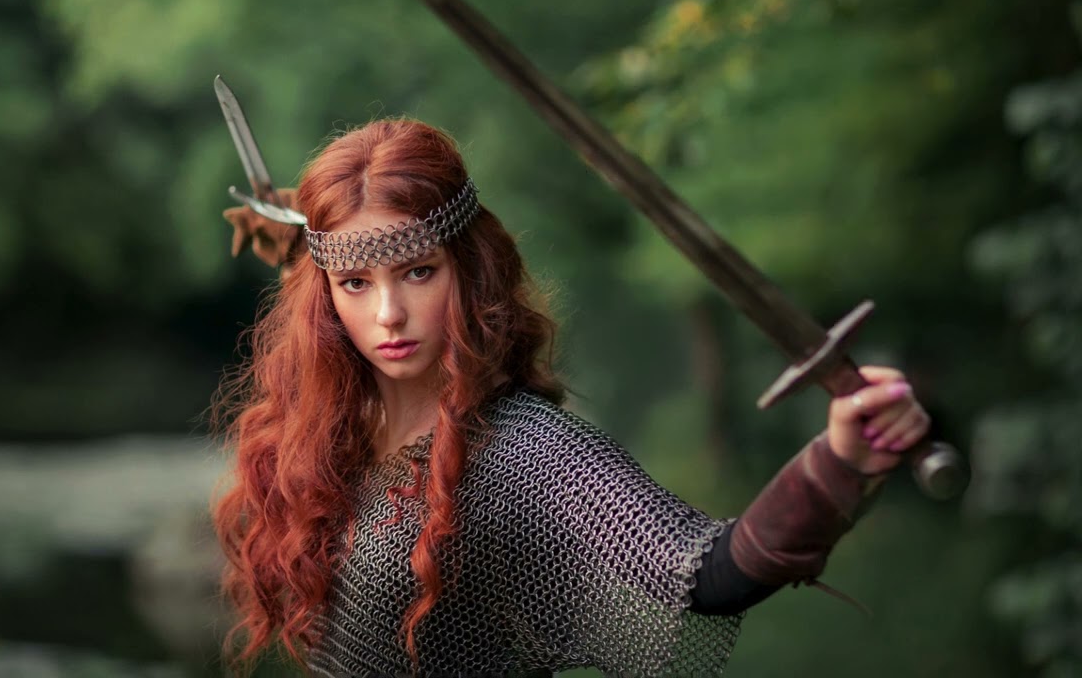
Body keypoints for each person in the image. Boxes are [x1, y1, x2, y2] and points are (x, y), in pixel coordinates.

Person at [211, 119, 930, 676]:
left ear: (469, 270)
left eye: (419, 272)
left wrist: (838, 459)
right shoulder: (335, 434)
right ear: (324, 295)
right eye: (357, 285)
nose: (388, 315)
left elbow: (707, 577)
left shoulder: (523, 455)